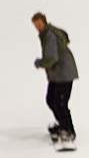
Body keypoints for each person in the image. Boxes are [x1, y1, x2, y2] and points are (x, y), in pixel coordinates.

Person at [32, 12, 79, 142]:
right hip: (57, 74)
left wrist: (40, 63)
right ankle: (63, 126)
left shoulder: (50, 35)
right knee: (51, 100)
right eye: (36, 25)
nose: (38, 27)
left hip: (63, 74)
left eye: (40, 24)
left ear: (44, 22)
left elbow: (52, 58)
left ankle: (68, 131)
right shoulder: (46, 34)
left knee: (59, 103)